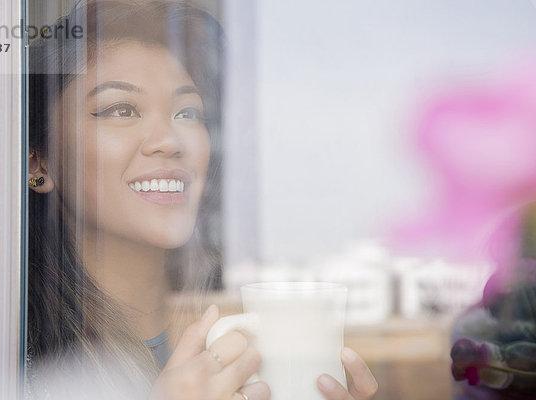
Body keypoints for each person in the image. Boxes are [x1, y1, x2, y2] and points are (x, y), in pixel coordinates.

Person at [27, 1, 378, 399]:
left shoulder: (251, 320)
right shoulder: (6, 353)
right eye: (121, 109)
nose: (169, 141)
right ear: (38, 161)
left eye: (188, 113)